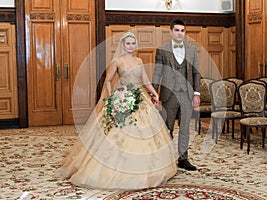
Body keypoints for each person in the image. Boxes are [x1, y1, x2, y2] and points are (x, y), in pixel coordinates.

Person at [56, 32, 177, 190]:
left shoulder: (139, 60)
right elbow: (108, 80)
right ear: (122, 45)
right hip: (122, 96)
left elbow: (145, 81)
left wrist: (154, 93)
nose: (131, 46)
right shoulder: (117, 61)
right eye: (128, 43)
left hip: (140, 98)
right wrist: (113, 94)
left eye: (133, 43)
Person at [152, 19, 201, 171]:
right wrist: (154, 93)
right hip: (169, 95)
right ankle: (165, 158)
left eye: (182, 30)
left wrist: (197, 93)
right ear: (171, 31)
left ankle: (183, 159)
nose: (180, 33)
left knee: (185, 128)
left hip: (187, 94)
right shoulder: (162, 50)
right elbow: (157, 73)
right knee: (167, 128)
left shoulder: (192, 50)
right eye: (177, 30)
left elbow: (195, 73)